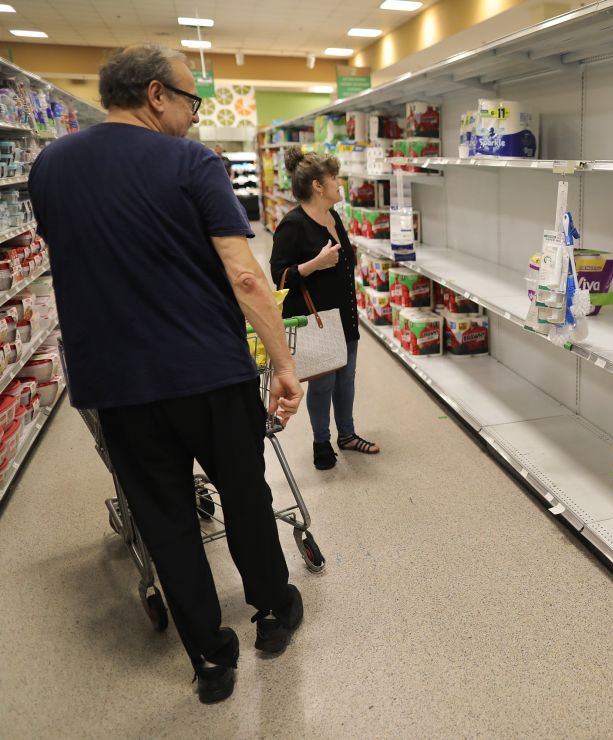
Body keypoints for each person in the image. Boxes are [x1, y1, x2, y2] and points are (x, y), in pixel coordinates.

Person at [28, 45, 305, 705]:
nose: (194, 113)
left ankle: (210, 660)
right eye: (191, 100)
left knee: (166, 519)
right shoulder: (191, 162)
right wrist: (286, 365)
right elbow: (243, 273)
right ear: (156, 95)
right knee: (243, 495)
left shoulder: (49, 166)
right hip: (206, 371)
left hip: (116, 383)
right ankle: (271, 611)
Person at [270, 149, 379, 470]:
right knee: (323, 383)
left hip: (344, 313)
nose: (339, 183)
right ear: (318, 186)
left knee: (347, 379)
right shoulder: (293, 224)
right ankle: (321, 442)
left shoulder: (334, 217)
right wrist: (314, 265)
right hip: (317, 321)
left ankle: (347, 434)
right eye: (334, 178)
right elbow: (279, 277)